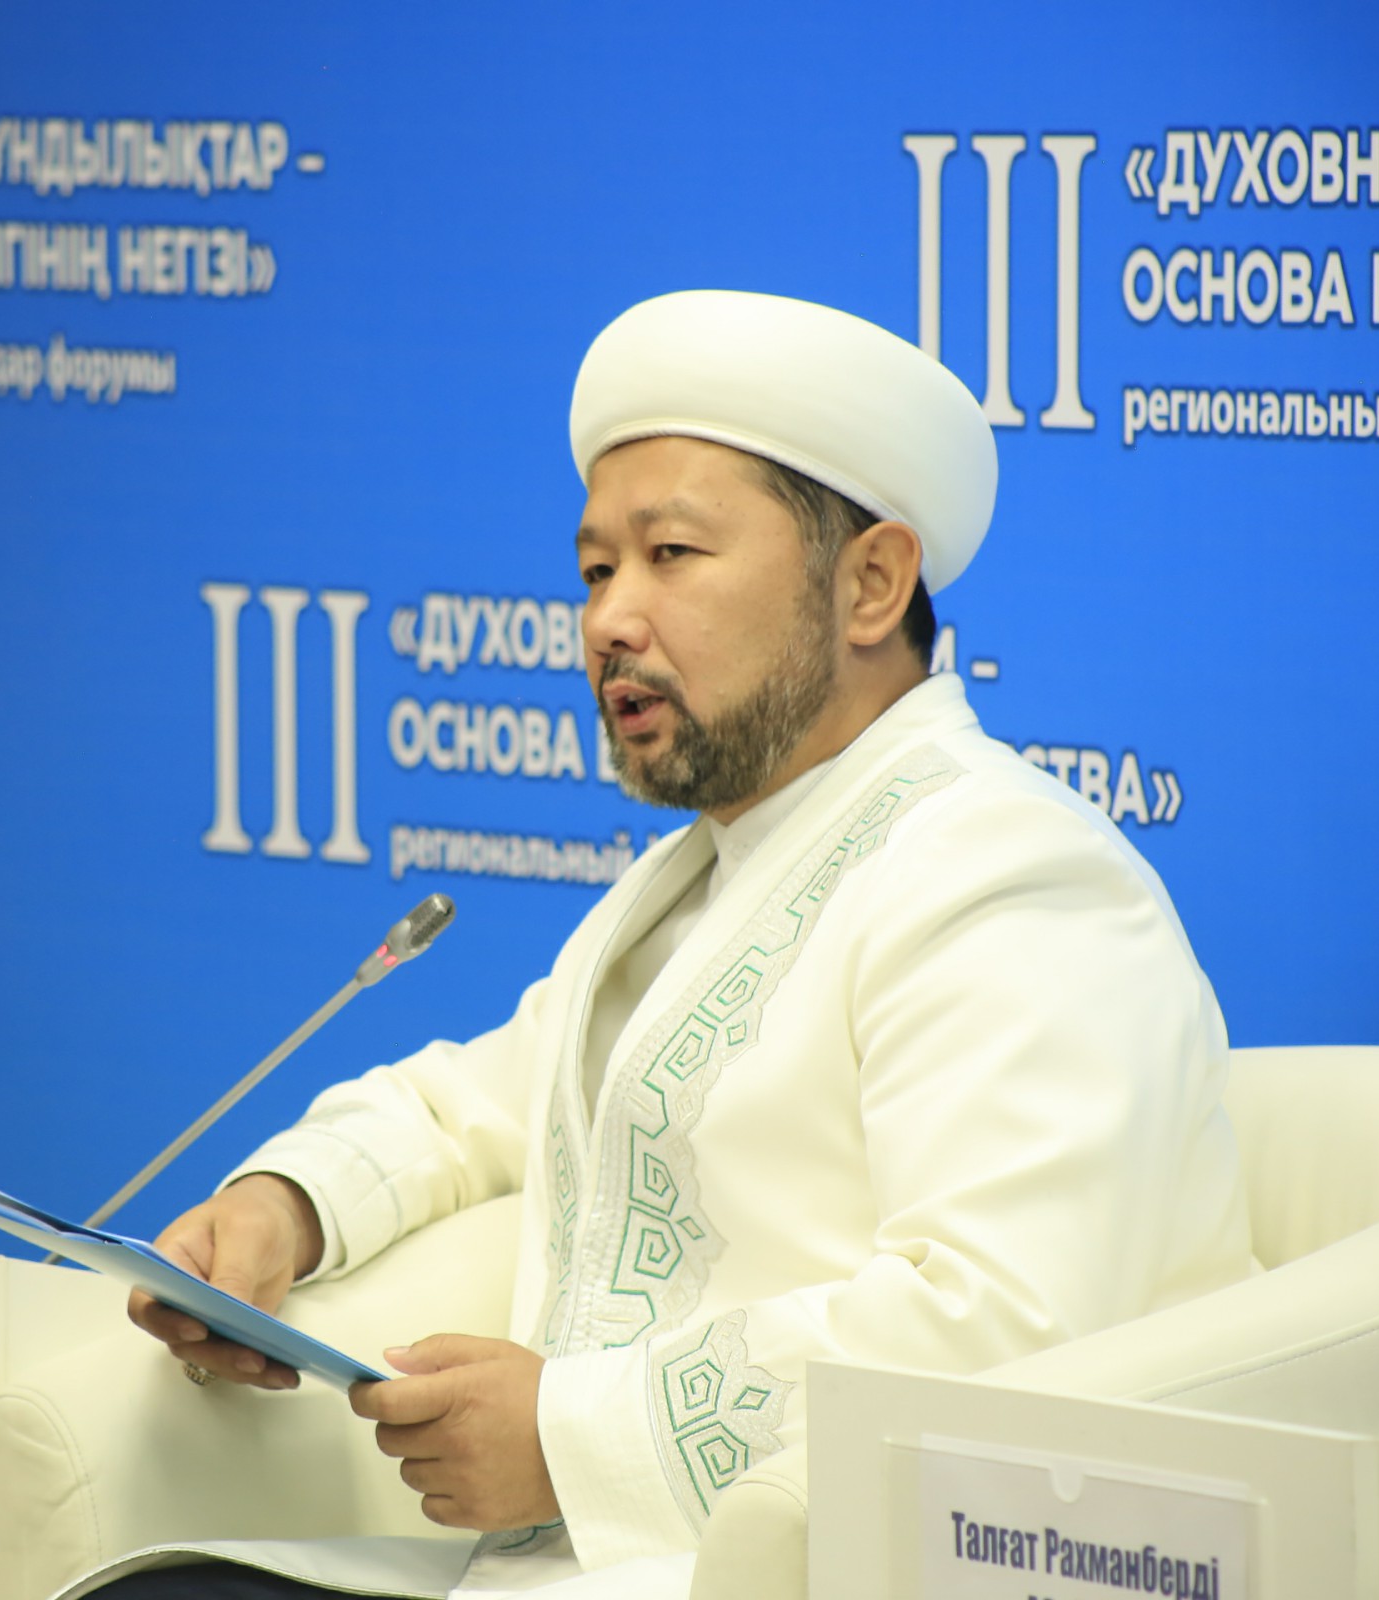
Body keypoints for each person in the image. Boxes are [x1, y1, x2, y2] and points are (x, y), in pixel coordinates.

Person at [115, 290, 1257, 1597]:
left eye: (671, 555)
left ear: (871, 584)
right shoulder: (706, 873)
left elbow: (1003, 1325)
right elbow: (480, 1104)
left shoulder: (1009, 875)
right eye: (597, 571)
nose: (610, 619)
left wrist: (568, 1440)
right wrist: (282, 1210)